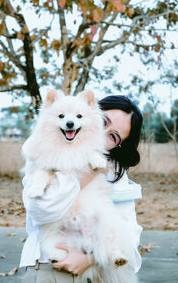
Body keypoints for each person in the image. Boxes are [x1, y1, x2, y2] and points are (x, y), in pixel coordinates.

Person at [20, 95, 143, 283]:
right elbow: (41, 212)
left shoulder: (115, 172)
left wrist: (90, 258)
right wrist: (88, 173)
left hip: (97, 269)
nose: (102, 134)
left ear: (119, 145)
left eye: (113, 136)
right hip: (50, 268)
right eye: (103, 122)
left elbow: (129, 230)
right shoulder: (42, 148)